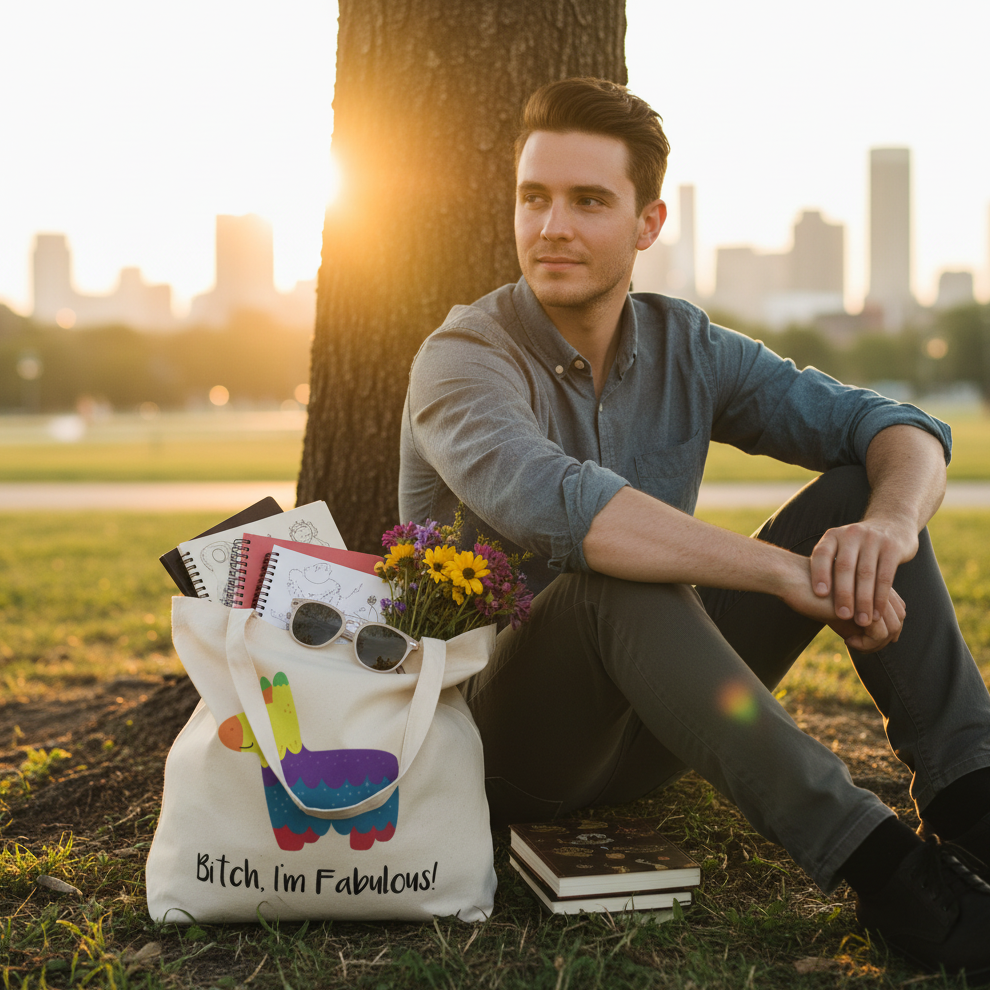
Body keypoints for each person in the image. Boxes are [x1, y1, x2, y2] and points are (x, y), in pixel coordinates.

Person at [398, 77, 990, 976]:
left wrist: (892, 528)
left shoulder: (688, 344)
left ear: (648, 224)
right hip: (503, 746)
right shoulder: (462, 358)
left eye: (589, 200)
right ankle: (892, 876)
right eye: (534, 197)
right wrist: (788, 576)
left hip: (660, 729)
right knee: (608, 581)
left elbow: (897, 429)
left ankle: (974, 801)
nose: (552, 225)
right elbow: (565, 510)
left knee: (856, 501)